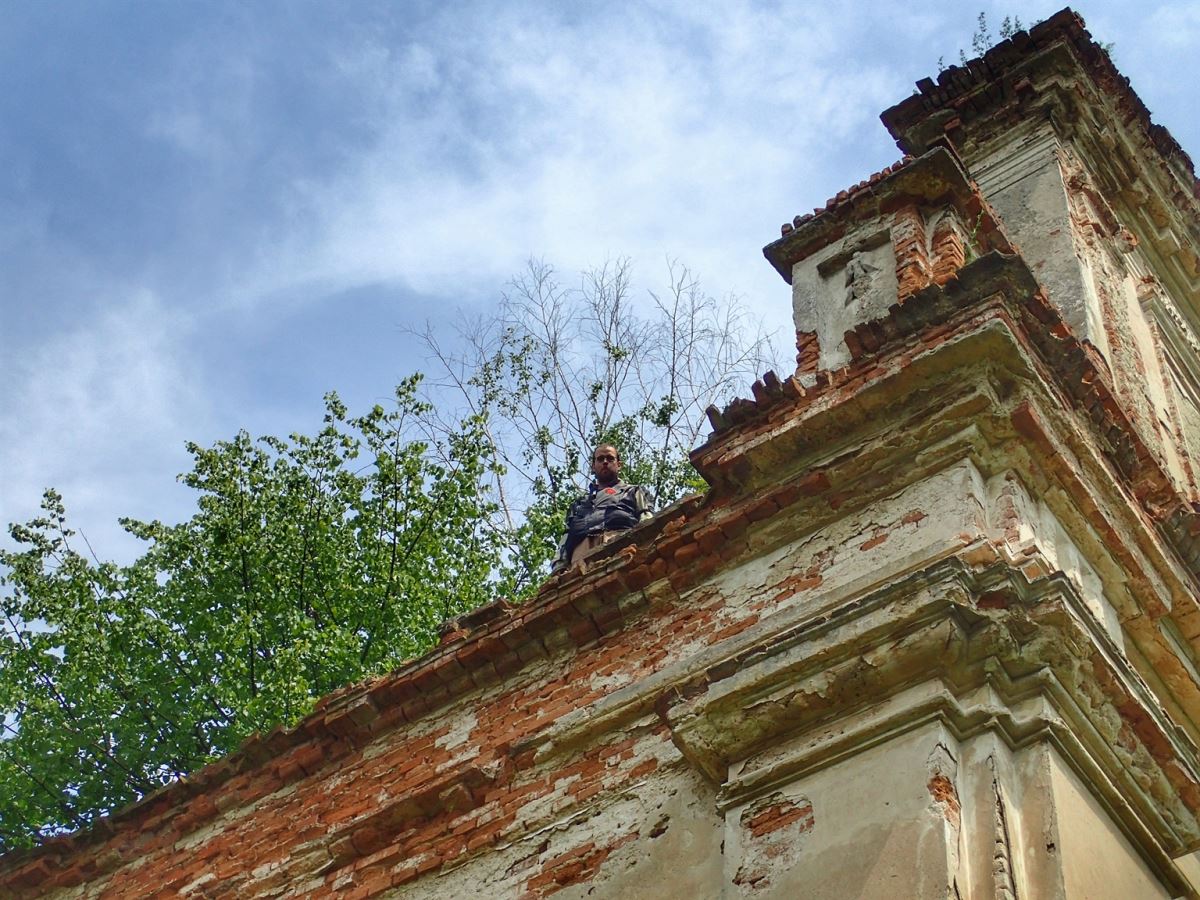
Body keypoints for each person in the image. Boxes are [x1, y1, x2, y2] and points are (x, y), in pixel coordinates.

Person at [554, 444, 653, 570]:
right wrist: (558, 566)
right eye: (600, 459)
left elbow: (646, 519)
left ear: (619, 464)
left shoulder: (633, 491)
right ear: (593, 466)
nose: (605, 462)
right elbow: (566, 537)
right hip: (580, 556)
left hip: (619, 543)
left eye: (610, 458)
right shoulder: (580, 503)